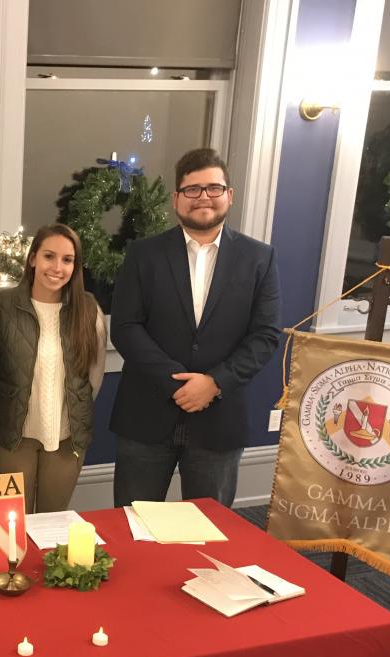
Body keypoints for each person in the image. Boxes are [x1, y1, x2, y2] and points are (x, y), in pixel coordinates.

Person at [110, 147, 281, 507]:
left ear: (229, 196)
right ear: (176, 199)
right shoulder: (143, 255)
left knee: (209, 535)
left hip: (219, 420)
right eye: (192, 189)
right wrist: (177, 382)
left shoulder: (259, 259)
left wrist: (214, 383)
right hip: (146, 416)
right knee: (134, 526)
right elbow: (126, 327)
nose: (203, 197)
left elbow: (265, 336)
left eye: (213, 188)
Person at [0, 224, 106, 513]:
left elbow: (95, 375)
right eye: (49, 256)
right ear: (33, 259)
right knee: (12, 521)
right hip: (13, 437)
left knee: (53, 520)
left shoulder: (89, 310)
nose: (57, 267)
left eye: (67, 260)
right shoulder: (0, 308)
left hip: (68, 437)